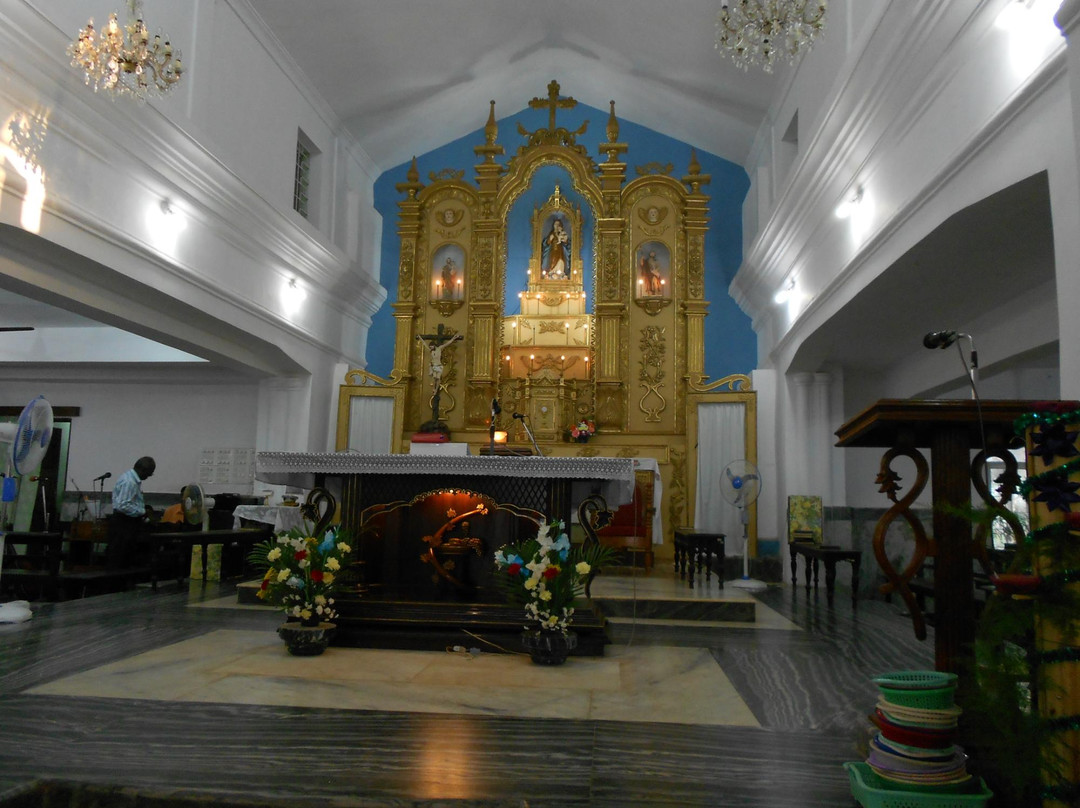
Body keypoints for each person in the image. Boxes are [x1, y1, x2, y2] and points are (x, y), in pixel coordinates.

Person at [107, 456, 156, 569]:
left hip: (125, 523)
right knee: (120, 559)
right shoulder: (130, 482)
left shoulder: (129, 478)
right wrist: (142, 512)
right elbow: (123, 505)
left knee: (123, 558)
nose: (148, 477)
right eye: (149, 474)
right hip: (124, 524)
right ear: (143, 470)